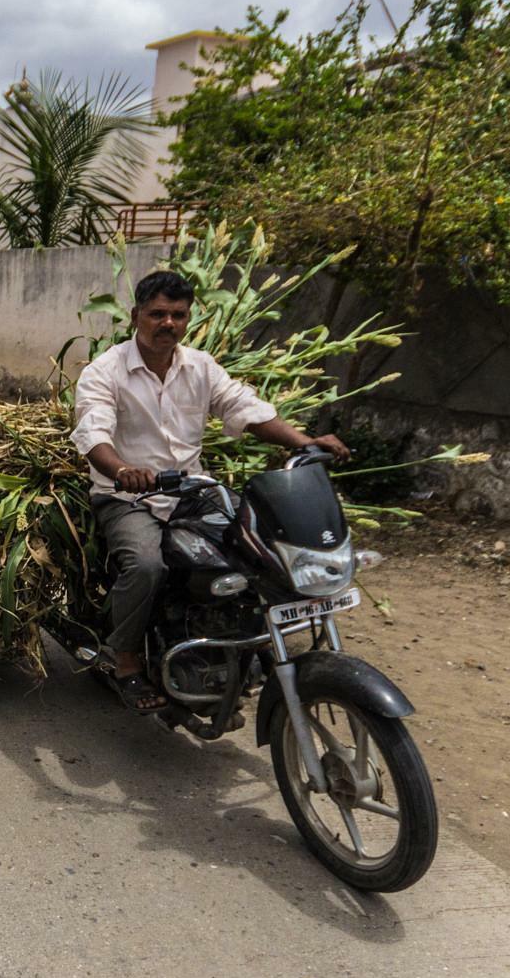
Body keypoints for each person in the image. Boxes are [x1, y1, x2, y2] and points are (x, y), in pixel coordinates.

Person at [70, 267, 350, 714]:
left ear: (188, 318)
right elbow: (93, 432)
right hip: (127, 498)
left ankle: (251, 639)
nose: (168, 323)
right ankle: (124, 660)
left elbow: (244, 407)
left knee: (261, 544)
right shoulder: (105, 371)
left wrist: (303, 442)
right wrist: (122, 470)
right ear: (135, 316)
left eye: (178, 315)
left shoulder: (200, 366)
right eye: (157, 314)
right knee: (146, 565)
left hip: (193, 490)